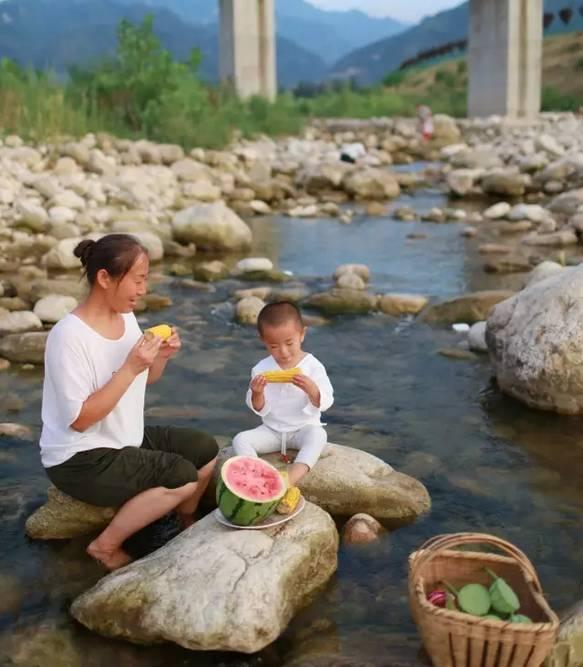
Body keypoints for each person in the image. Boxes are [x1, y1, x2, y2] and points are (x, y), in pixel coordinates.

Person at [39, 233, 218, 571]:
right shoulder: (69, 336)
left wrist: (160, 358)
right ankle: (104, 547)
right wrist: (131, 365)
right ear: (104, 278)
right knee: (182, 475)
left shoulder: (126, 318)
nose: (143, 289)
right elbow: (80, 420)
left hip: (123, 437)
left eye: (144, 279)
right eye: (137, 280)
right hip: (79, 457)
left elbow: (143, 380)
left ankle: (184, 521)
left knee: (205, 449)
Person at [232, 302, 333, 487]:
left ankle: (290, 479)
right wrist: (257, 393)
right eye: (274, 346)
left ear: (302, 334)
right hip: (272, 431)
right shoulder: (261, 369)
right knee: (240, 439)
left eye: (289, 343)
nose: (284, 352)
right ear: (264, 342)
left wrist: (312, 389)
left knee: (318, 436)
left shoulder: (313, 366)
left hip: (303, 428)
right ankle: (258, 477)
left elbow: (327, 400)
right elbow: (258, 407)